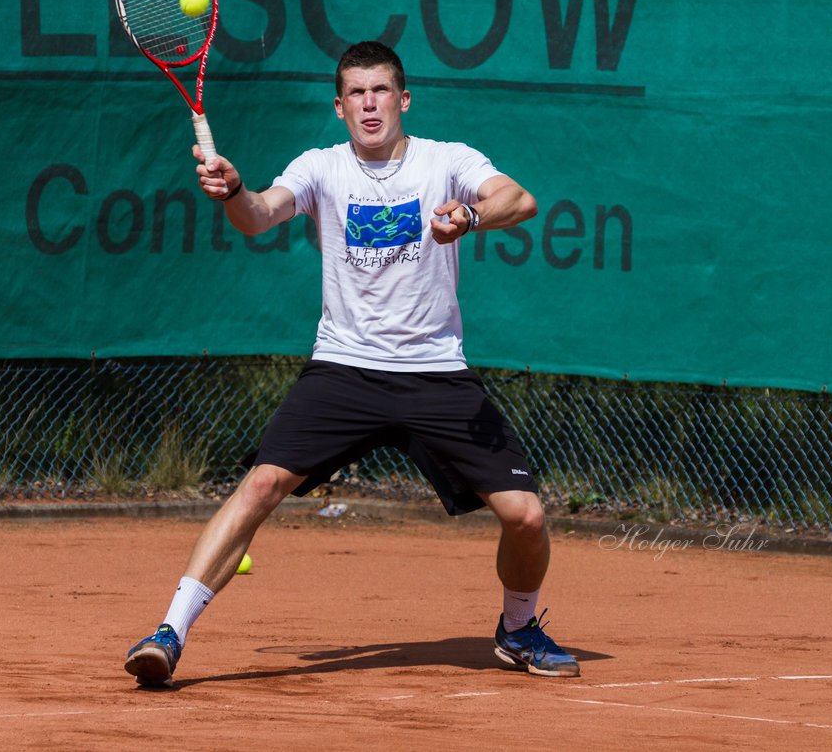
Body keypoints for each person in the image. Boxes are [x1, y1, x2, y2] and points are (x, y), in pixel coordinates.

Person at [124, 40, 580, 687]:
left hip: (435, 374)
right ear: (339, 107)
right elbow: (259, 215)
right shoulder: (321, 168)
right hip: (345, 370)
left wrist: (471, 215)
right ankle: (168, 633)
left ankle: (518, 627)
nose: (370, 103)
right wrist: (232, 191)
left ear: (404, 99)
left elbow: (520, 199)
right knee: (259, 485)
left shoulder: (446, 162)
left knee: (527, 516)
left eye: (381, 91)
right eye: (357, 93)